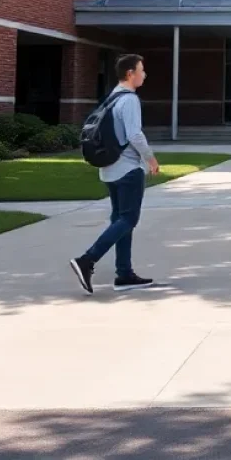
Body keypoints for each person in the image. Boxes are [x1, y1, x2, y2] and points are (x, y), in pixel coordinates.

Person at [70, 54, 160, 294]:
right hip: (128, 169)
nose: (144, 74)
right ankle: (87, 260)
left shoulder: (111, 97)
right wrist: (150, 158)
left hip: (109, 169)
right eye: (142, 70)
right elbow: (134, 134)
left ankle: (124, 273)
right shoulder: (129, 99)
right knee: (128, 219)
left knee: (120, 220)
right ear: (130, 73)